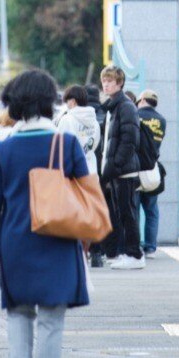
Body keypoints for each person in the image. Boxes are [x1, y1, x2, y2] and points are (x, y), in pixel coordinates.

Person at [0, 70, 90, 358]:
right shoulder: (66, 144)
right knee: (51, 320)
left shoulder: (3, 149)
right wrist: (87, 239)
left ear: (14, 105)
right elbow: (86, 195)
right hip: (59, 241)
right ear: (49, 102)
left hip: (15, 242)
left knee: (19, 312)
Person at [96, 66, 146, 270]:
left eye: (110, 81)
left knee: (128, 213)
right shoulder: (114, 106)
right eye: (104, 81)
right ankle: (128, 253)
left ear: (120, 83)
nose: (106, 85)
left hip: (124, 170)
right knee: (121, 214)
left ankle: (135, 255)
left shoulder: (125, 106)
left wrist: (115, 165)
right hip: (118, 171)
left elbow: (129, 140)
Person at [56, 86, 105, 267]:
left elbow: (61, 147)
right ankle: (96, 254)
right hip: (91, 172)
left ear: (73, 101)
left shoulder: (67, 120)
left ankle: (76, 254)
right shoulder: (94, 121)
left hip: (73, 175)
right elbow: (94, 146)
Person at [134, 91, 167, 254]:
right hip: (152, 169)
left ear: (142, 100)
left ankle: (134, 244)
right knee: (152, 210)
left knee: (134, 209)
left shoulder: (135, 116)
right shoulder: (162, 120)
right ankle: (150, 246)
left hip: (134, 168)